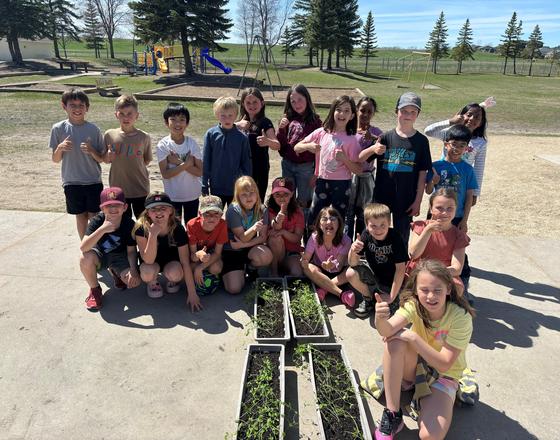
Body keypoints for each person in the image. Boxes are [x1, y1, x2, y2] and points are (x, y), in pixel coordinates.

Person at [372, 259, 474, 440]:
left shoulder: (460, 318)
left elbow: (444, 364)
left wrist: (412, 337)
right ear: (416, 291)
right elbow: (387, 330)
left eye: (437, 290)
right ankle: (393, 414)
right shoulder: (413, 306)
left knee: (430, 436)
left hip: (445, 375)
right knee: (394, 341)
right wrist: (380, 318)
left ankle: (425, 398)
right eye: (424, 290)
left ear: (448, 290)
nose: (431, 296)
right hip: (416, 366)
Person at [359, 92, 432, 246]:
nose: (408, 115)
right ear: (396, 111)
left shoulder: (421, 141)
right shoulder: (386, 137)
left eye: (413, 112)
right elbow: (362, 159)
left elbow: (422, 173)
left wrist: (418, 200)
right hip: (382, 196)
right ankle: (377, 261)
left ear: (418, 114)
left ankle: (400, 266)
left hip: (406, 198)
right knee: (378, 231)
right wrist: (373, 149)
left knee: (401, 236)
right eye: (404, 111)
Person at [294, 95, 362, 225]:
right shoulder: (321, 133)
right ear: (332, 111)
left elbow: (358, 170)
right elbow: (297, 147)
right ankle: (312, 244)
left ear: (352, 116)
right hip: (322, 182)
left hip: (342, 185)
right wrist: (309, 146)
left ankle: (336, 245)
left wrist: (345, 159)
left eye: (347, 111)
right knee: (315, 218)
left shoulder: (352, 140)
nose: (342, 114)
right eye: (338, 109)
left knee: (338, 220)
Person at [49, 88, 105, 238]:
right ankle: (84, 245)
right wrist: (60, 148)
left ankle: (95, 246)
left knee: (94, 215)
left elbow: (101, 158)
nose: (77, 109)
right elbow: (55, 159)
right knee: (80, 216)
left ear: (87, 108)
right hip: (71, 181)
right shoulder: (58, 128)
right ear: (64, 106)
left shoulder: (94, 129)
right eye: (72, 105)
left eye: (81, 105)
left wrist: (92, 150)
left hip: (93, 180)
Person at [133, 192, 201, 312]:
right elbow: (148, 260)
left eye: (163, 208)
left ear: (170, 210)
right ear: (148, 212)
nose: (159, 212)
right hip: (151, 263)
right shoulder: (141, 228)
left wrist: (192, 293)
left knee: (176, 272)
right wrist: (153, 235)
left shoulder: (178, 228)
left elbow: (185, 262)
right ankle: (153, 282)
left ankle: (171, 280)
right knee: (147, 271)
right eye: (153, 209)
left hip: (172, 263)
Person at [79, 187, 141, 311]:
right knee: (85, 258)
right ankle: (95, 290)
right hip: (101, 256)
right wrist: (102, 229)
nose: (113, 209)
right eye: (108, 206)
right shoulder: (98, 220)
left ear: (125, 207)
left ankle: (116, 272)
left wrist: (133, 269)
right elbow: (84, 247)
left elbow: (131, 251)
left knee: (134, 282)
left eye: (117, 205)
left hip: (120, 257)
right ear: (102, 208)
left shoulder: (129, 224)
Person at [424, 99, 492, 206]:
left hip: (462, 183)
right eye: (469, 115)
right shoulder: (450, 133)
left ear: (481, 123)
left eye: (477, 117)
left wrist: (475, 194)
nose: (472, 119)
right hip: (443, 179)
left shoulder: (480, 142)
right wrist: (451, 121)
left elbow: (479, 168)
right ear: (461, 115)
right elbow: (428, 131)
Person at [346, 203, 408, 318]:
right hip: (374, 276)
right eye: (373, 226)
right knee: (350, 273)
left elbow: (400, 269)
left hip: (392, 281)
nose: (378, 229)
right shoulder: (366, 235)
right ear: (366, 225)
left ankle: (391, 298)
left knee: (387, 317)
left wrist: (392, 297)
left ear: (389, 223)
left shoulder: (396, 237)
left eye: (382, 225)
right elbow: (352, 263)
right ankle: (369, 298)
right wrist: (353, 250)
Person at [408, 188, 469, 296]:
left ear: (456, 209)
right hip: (419, 271)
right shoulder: (420, 226)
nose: (444, 212)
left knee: (457, 287)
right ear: (431, 208)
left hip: (444, 273)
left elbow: (457, 268)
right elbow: (414, 254)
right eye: (439, 208)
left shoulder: (458, 236)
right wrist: (427, 231)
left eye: (450, 208)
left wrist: (434, 275)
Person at [103, 95, 152, 219]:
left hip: (140, 188)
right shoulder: (109, 134)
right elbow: (105, 159)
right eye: (122, 113)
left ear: (137, 115)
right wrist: (108, 156)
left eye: (129, 113)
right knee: (123, 223)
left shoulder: (144, 137)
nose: (126, 117)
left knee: (143, 223)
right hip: (118, 189)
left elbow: (147, 159)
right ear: (116, 115)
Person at [222, 176, 273, 294]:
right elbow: (242, 237)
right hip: (232, 250)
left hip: (244, 246)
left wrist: (243, 245)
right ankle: (229, 271)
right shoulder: (233, 210)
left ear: (257, 193)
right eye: (244, 194)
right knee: (234, 289)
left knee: (266, 256)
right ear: (238, 196)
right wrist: (254, 228)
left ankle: (251, 268)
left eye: (251, 193)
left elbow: (263, 237)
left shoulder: (262, 209)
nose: (249, 197)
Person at [276, 84, 322, 212]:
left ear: (307, 99)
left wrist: (316, 173)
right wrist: (281, 129)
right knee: (287, 197)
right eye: (293, 101)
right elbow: (281, 146)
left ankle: (304, 229)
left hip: (306, 167)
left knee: (304, 200)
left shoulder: (316, 122)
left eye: (300, 99)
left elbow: (319, 150)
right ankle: (290, 226)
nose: (297, 104)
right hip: (287, 164)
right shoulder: (287, 119)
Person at [425, 124, 478, 233]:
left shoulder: (468, 169)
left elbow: (469, 197)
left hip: (457, 216)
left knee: (453, 246)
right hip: (436, 214)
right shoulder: (435, 166)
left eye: (462, 145)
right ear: (446, 144)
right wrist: (432, 181)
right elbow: (428, 191)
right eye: (454, 144)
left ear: (466, 148)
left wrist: (464, 220)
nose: (457, 149)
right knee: (433, 244)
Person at [156, 102, 202, 225]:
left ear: (187, 123)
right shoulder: (163, 145)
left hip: (192, 196)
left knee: (191, 227)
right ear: (166, 122)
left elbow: (199, 171)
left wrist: (178, 163)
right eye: (173, 119)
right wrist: (186, 164)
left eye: (182, 120)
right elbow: (166, 174)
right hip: (172, 196)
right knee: (174, 228)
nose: (178, 123)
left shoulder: (192, 143)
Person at [202, 96, 252, 208]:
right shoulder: (211, 134)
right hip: (216, 186)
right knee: (215, 217)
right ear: (217, 115)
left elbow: (246, 164)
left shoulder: (242, 138)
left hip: (235, 187)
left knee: (234, 219)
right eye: (223, 115)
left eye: (230, 115)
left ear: (235, 116)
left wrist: (247, 183)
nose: (227, 119)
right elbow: (206, 160)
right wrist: (204, 183)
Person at [345, 96, 383, 240]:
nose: (365, 114)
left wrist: (372, 137)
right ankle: (346, 245)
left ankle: (360, 247)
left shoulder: (377, 132)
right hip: (348, 176)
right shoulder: (348, 129)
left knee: (363, 214)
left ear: (374, 113)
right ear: (356, 110)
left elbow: (384, 145)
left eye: (369, 111)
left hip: (367, 178)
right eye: (362, 110)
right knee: (348, 212)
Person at [300, 206, 354, 306]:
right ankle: (341, 294)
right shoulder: (314, 237)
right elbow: (306, 258)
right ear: (319, 224)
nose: (329, 222)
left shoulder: (346, 240)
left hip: (339, 274)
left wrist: (331, 265)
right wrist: (303, 261)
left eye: (333, 219)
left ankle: (324, 289)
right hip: (320, 271)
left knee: (353, 270)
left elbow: (340, 262)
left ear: (339, 223)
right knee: (308, 268)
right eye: (324, 219)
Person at [236, 87, 280, 201]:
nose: (252, 105)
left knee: (256, 200)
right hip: (241, 168)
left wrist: (268, 142)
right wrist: (237, 125)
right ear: (243, 104)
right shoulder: (239, 122)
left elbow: (277, 145)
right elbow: (223, 128)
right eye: (248, 102)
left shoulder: (265, 122)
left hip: (260, 168)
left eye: (255, 102)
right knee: (242, 200)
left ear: (262, 103)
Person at [187, 195, 228, 296]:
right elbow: (192, 255)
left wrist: (200, 268)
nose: (212, 217)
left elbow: (218, 253)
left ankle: (210, 276)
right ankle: (198, 281)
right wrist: (199, 255)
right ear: (200, 214)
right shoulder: (192, 225)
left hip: (212, 255)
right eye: (207, 213)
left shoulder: (222, 225)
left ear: (221, 214)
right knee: (190, 268)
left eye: (216, 214)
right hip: (197, 255)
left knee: (216, 268)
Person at [265, 177, 305, 277]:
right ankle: (274, 273)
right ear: (272, 195)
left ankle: (284, 270)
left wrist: (283, 232)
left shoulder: (297, 212)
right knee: (276, 238)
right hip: (275, 253)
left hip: (291, 252)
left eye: (285, 194)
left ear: (292, 194)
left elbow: (297, 238)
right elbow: (273, 229)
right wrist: (279, 219)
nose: (281, 198)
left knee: (297, 273)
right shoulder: (269, 210)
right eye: (277, 194)